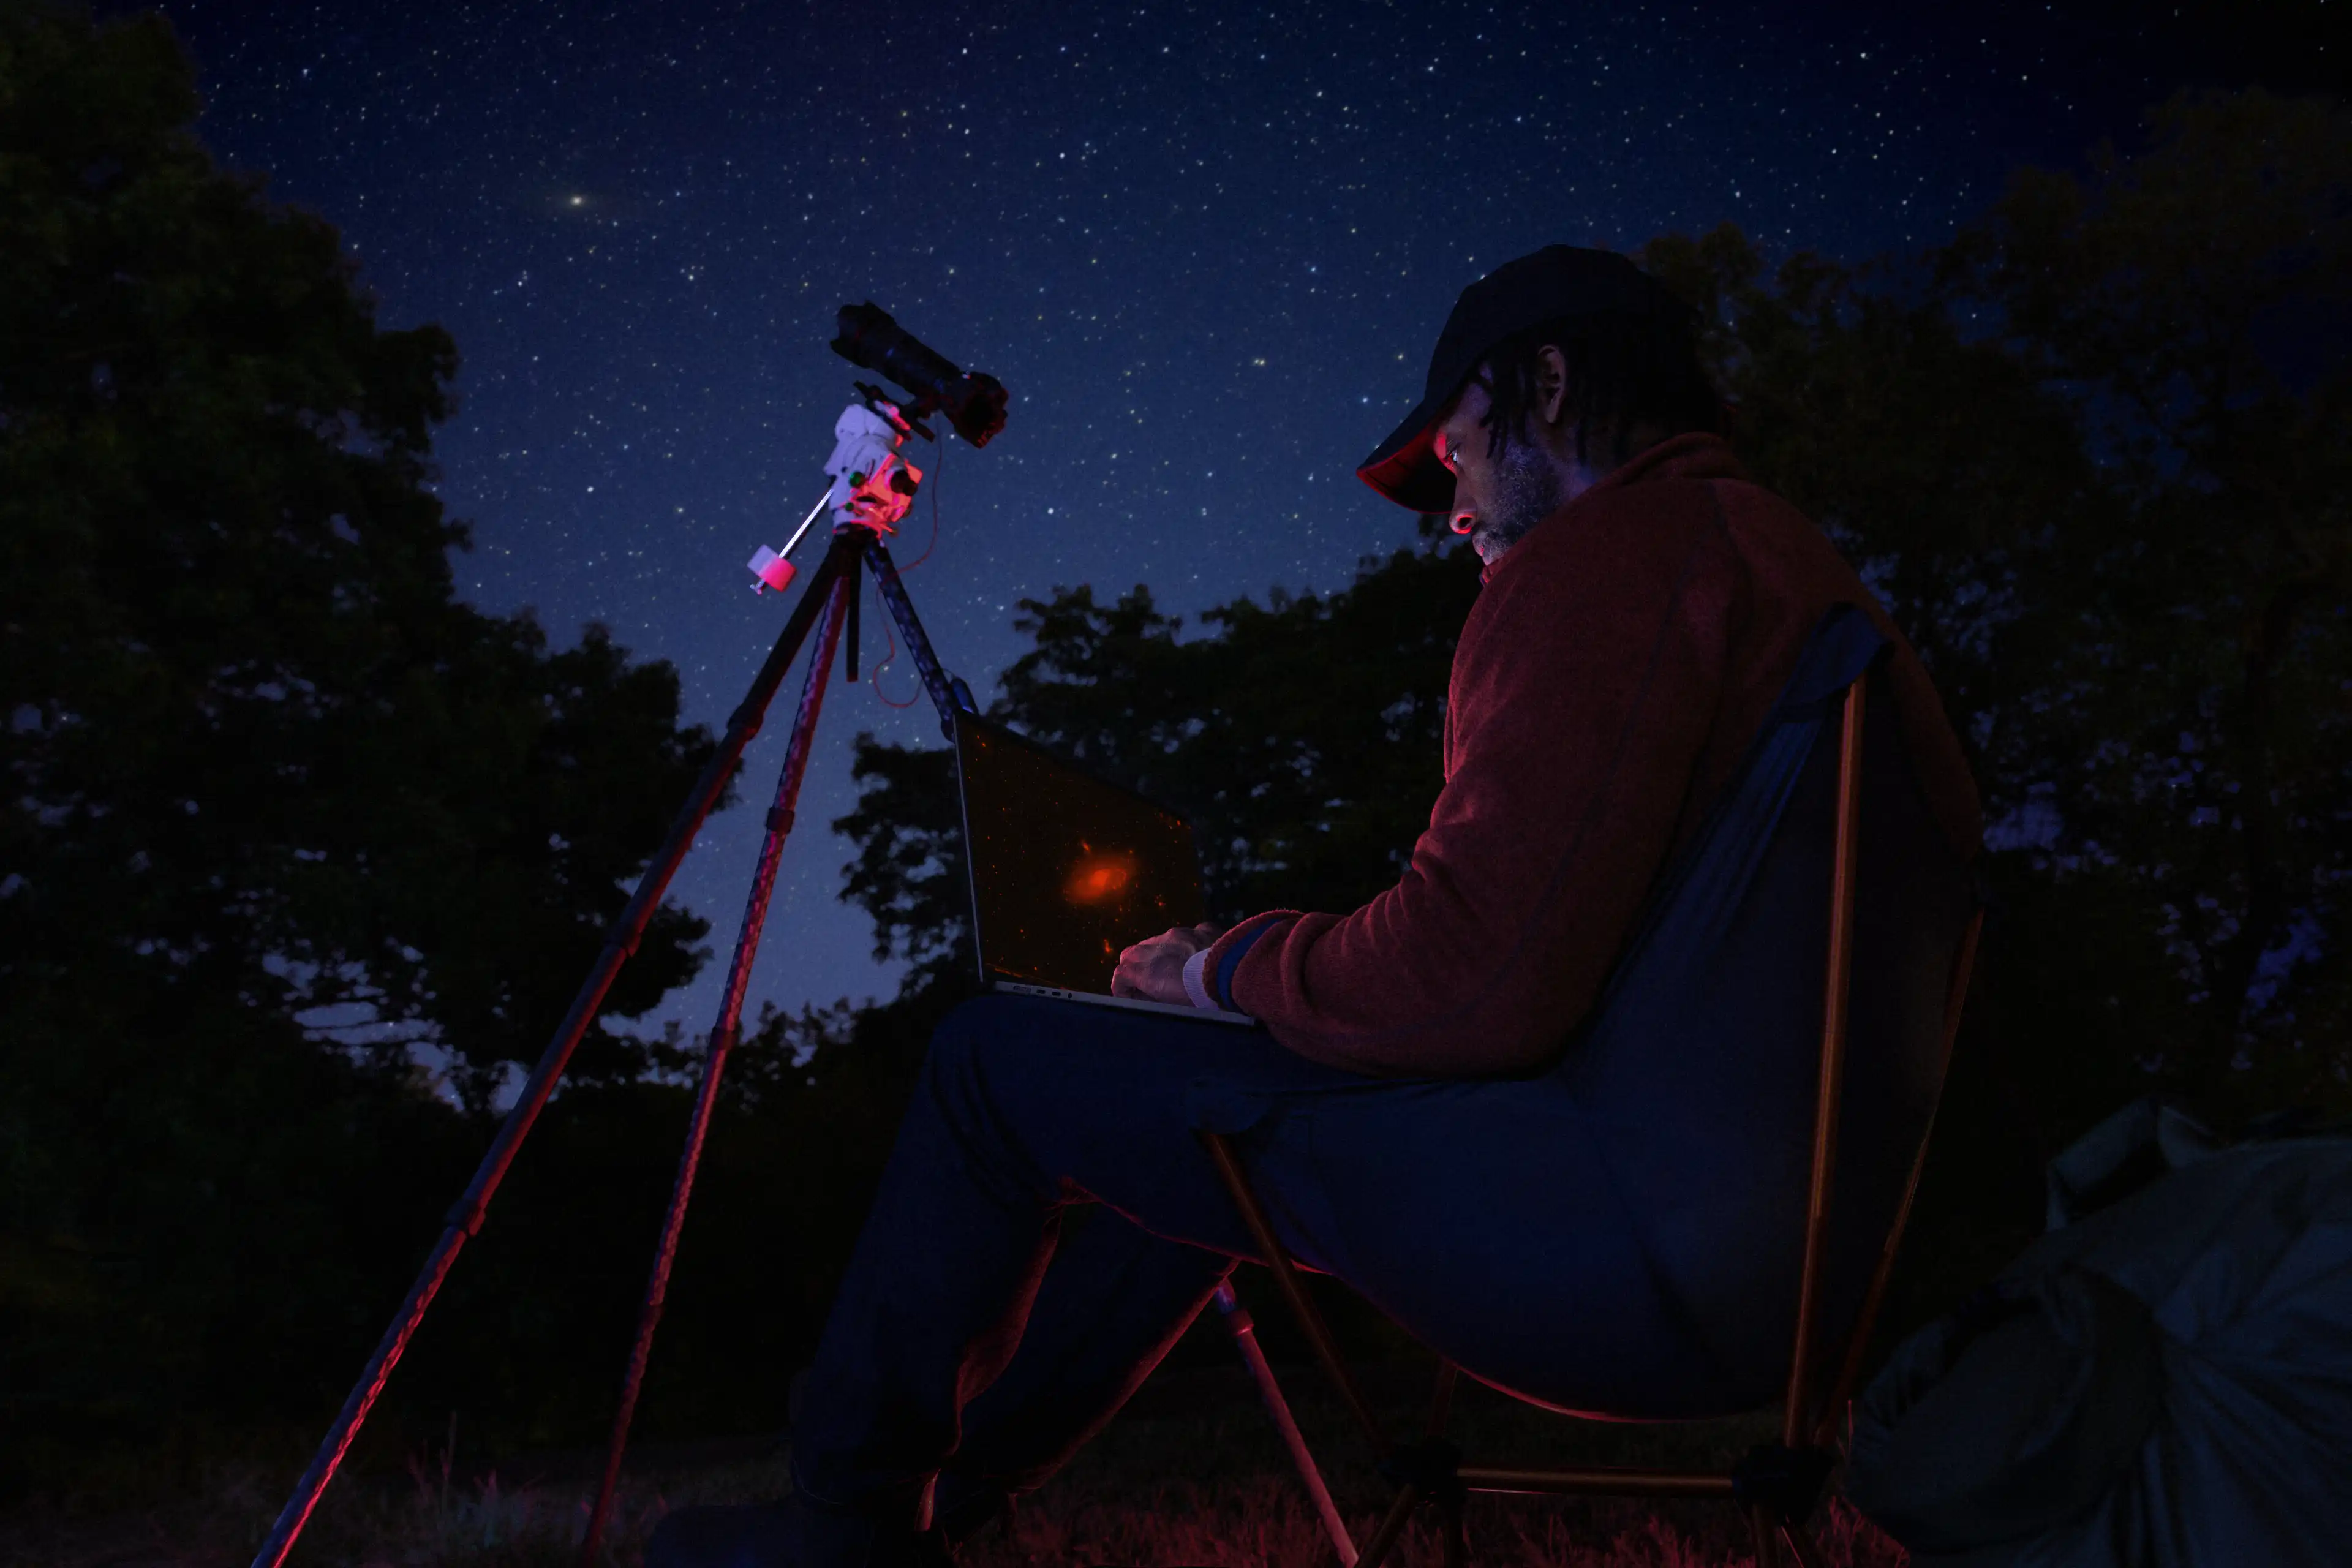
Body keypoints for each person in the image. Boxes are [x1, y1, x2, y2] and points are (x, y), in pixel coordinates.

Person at [647, 246, 1983, 1568]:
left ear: (1549, 384)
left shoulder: (1612, 555)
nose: (1454, 509)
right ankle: (953, 1497)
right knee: (1207, 1096)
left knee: (990, 1064)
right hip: (1787, 1280)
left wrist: (1219, 968)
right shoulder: (1789, 568)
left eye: (1458, 449)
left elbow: (1472, 980)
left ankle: (846, 1529)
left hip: (1621, 1250)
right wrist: (1253, 1000)